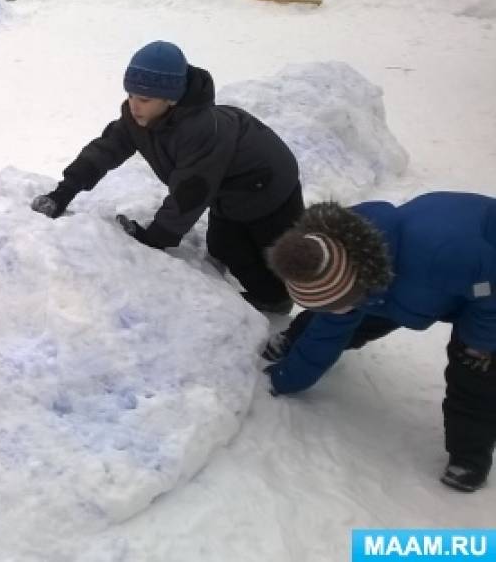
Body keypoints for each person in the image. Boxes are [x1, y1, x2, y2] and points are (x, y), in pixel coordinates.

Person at [31, 40, 304, 314]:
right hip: (226, 187)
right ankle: (269, 293)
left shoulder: (200, 130)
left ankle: (292, 304)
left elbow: (190, 193)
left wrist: (154, 239)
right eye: (130, 96)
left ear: (171, 99)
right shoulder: (138, 118)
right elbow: (105, 150)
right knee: (225, 245)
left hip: (268, 184)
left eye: (144, 99)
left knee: (282, 254)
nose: (134, 106)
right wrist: (63, 192)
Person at [263, 194, 496, 493]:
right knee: (339, 318)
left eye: (341, 300)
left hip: (484, 283)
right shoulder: (336, 257)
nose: (336, 311)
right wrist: (285, 379)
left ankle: (469, 458)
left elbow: (490, 296)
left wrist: (479, 342)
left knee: (475, 370)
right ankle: (294, 340)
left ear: (357, 283)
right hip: (403, 285)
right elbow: (332, 322)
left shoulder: (443, 255)